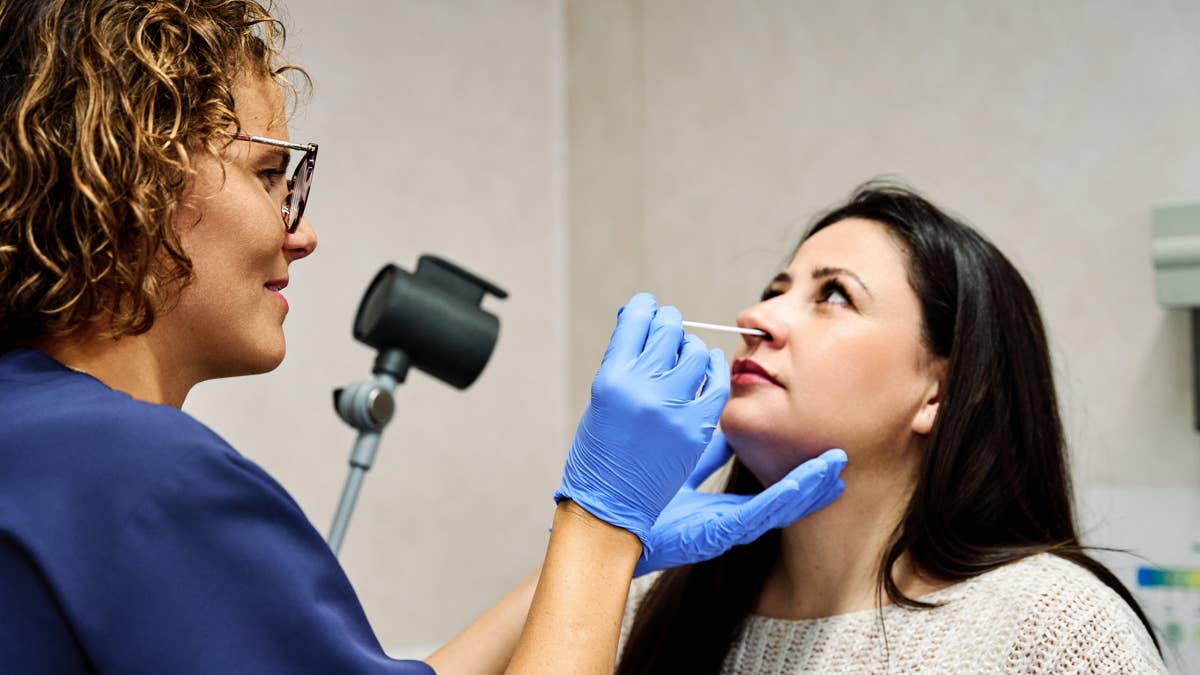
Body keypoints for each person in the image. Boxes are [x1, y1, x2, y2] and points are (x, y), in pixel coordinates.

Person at [0, 1, 848, 673]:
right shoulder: (146, 478)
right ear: (130, 179)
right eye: (270, 176)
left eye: (837, 295)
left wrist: (599, 549)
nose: (301, 234)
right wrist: (601, 524)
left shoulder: (37, 437)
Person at [617, 183, 1169, 673]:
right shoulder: (654, 599)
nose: (754, 317)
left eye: (833, 294)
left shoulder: (1054, 630)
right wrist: (604, 537)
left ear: (940, 393)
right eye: (774, 292)